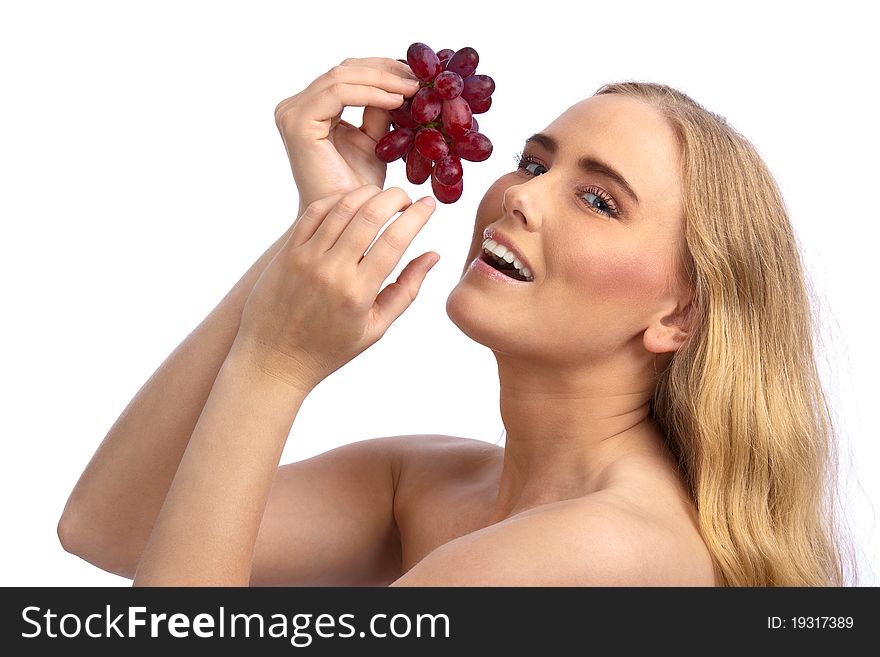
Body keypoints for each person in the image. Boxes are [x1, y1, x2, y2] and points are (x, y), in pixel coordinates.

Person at [58, 57, 855, 587]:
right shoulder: (430, 482)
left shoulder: (605, 549)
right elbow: (114, 523)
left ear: (677, 317)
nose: (521, 194)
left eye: (598, 199)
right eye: (537, 162)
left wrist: (275, 366)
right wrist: (326, 222)